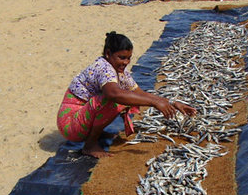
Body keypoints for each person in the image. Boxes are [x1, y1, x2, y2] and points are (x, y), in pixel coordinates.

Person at [57, 32, 197, 158]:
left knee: (125, 97)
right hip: (70, 125)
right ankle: (89, 145)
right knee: (114, 100)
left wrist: (172, 103)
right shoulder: (103, 68)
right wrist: (155, 103)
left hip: (80, 120)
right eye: (122, 57)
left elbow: (140, 94)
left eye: (129, 58)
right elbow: (113, 94)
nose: (126, 62)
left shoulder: (119, 72)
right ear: (108, 53)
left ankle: (94, 134)